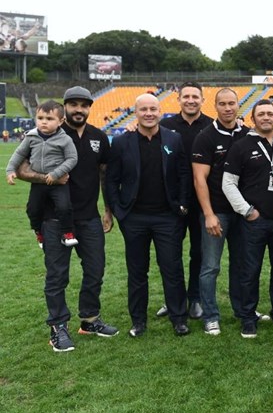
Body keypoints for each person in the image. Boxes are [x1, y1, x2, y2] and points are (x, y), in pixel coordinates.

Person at [12, 87, 117, 351]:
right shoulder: (48, 132)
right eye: (73, 105)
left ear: (89, 108)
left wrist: (108, 210)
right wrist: (49, 178)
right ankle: (58, 326)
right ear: (64, 108)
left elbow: (104, 174)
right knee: (57, 275)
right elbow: (22, 168)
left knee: (95, 270)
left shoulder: (98, 136)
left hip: (90, 216)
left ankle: (90, 319)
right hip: (53, 218)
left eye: (84, 105)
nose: (78, 109)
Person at [105, 94, 191, 338]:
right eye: (143, 109)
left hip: (168, 217)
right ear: (136, 112)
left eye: (153, 108)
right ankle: (139, 321)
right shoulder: (122, 142)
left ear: (160, 111)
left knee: (172, 269)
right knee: (137, 271)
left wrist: (182, 205)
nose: (149, 113)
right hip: (134, 218)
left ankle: (179, 319)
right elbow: (111, 180)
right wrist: (119, 211)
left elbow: (184, 174)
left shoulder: (174, 139)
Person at [222, 99, 273, 338]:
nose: (266, 117)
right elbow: (228, 183)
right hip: (253, 220)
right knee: (250, 270)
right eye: (261, 114)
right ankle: (247, 315)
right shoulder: (241, 146)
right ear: (253, 119)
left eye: (270, 113)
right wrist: (246, 210)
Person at [191, 88, 252, 335]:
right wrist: (208, 214)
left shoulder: (248, 134)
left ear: (239, 105)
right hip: (217, 212)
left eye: (232, 103)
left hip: (242, 213)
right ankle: (211, 315)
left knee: (241, 265)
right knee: (210, 267)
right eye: (222, 104)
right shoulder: (205, 137)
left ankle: (241, 309)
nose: (228, 108)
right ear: (214, 106)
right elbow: (199, 179)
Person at [158, 82, 214, 320]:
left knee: (199, 253)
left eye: (195, 97)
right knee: (170, 254)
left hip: (203, 201)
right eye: (186, 96)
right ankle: (173, 299)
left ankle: (195, 298)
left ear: (202, 100)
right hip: (172, 202)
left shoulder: (213, 125)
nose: (191, 100)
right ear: (178, 99)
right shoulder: (164, 126)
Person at [6, 100, 79, 250]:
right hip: (38, 183)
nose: (44, 122)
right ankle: (38, 231)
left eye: (49, 119)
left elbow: (72, 159)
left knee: (64, 207)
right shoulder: (31, 137)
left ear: (61, 121)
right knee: (32, 209)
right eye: (40, 118)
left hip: (58, 183)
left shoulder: (65, 140)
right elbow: (19, 153)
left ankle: (67, 233)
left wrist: (56, 173)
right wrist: (10, 169)